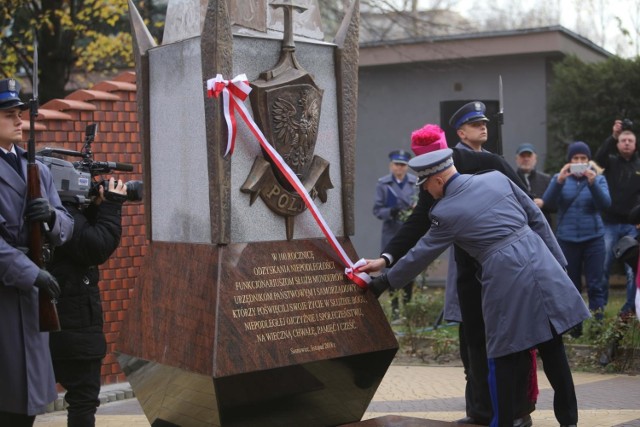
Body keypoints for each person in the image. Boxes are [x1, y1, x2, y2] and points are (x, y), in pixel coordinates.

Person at [369, 148, 589, 427]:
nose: (426, 193)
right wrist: (560, 264)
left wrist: (384, 282)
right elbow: (537, 218)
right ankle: (569, 422)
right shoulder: (496, 178)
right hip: (542, 262)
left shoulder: (445, 212)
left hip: (505, 276)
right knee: (553, 347)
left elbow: (420, 254)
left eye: (425, 187)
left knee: (502, 355)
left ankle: (503, 423)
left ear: (436, 180)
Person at [361, 117, 535, 427]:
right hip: (469, 271)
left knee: (510, 344)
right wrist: (386, 258)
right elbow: (419, 220)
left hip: (507, 269)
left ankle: (517, 413)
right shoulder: (433, 177)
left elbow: (525, 206)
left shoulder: (489, 163)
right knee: (472, 344)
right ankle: (481, 412)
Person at [0, 78, 74, 426]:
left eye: (19, 114)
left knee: (25, 410)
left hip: (30, 300)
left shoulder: (38, 169)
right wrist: (33, 274)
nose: (19, 121)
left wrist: (49, 219)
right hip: (8, 292)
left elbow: (67, 223)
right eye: (9, 115)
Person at [47, 177, 127, 427]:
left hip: (62, 318)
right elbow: (95, 246)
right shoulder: (61, 213)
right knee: (83, 397)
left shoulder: (52, 209)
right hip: (72, 320)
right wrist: (112, 206)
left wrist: (93, 208)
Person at [543, 141, 610, 336]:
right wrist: (559, 181)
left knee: (595, 284)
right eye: (576, 159)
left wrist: (593, 183)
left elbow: (605, 204)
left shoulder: (598, 179)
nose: (580, 162)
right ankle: (575, 327)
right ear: (569, 161)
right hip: (567, 239)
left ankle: (597, 327)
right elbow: (548, 203)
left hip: (594, 238)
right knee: (571, 285)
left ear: (589, 161)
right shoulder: (559, 178)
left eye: (583, 159)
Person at [594, 120, 640, 317]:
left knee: (633, 271)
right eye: (623, 140)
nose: (627, 143)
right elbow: (598, 159)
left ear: (635, 144)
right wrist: (612, 135)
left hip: (633, 225)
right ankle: (600, 308)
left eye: (630, 140)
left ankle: (628, 309)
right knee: (603, 266)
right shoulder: (610, 162)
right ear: (618, 144)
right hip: (609, 223)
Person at [373, 149, 418, 319]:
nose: (399, 168)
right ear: (391, 166)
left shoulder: (415, 183)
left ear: (407, 167)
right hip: (391, 233)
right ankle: (395, 311)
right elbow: (377, 210)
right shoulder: (383, 184)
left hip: (409, 231)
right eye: (397, 164)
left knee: (410, 268)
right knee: (391, 270)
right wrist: (390, 212)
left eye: (403, 165)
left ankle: (408, 309)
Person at [515, 143, 553, 225]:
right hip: (520, 226)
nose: (526, 159)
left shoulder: (546, 179)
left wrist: (543, 203)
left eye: (529, 156)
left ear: (535, 158)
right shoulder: (511, 179)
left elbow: (556, 205)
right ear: (516, 159)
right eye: (523, 156)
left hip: (542, 227)